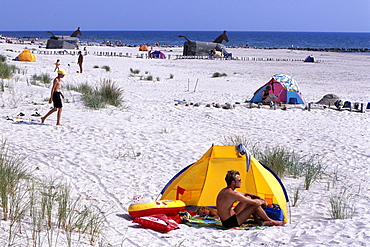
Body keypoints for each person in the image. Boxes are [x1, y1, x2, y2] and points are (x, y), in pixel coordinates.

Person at [216, 170, 286, 228]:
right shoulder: (233, 194)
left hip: (229, 218)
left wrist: (259, 198)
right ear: (233, 182)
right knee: (254, 205)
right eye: (239, 180)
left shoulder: (226, 191)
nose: (241, 182)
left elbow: (246, 194)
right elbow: (255, 203)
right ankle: (270, 221)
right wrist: (263, 202)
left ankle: (260, 221)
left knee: (248, 198)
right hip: (230, 223)